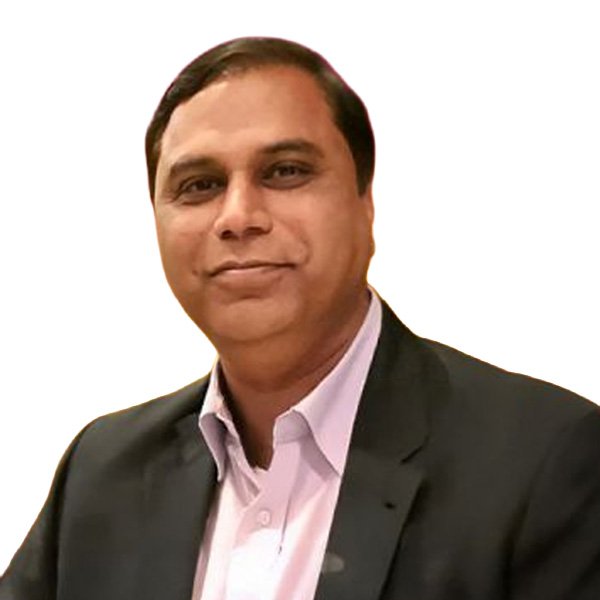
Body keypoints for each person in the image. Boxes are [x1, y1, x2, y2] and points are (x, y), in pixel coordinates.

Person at [1, 36, 599, 600]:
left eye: (285, 171)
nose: (238, 216)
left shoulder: (545, 462)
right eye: (200, 185)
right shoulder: (101, 474)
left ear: (365, 204)